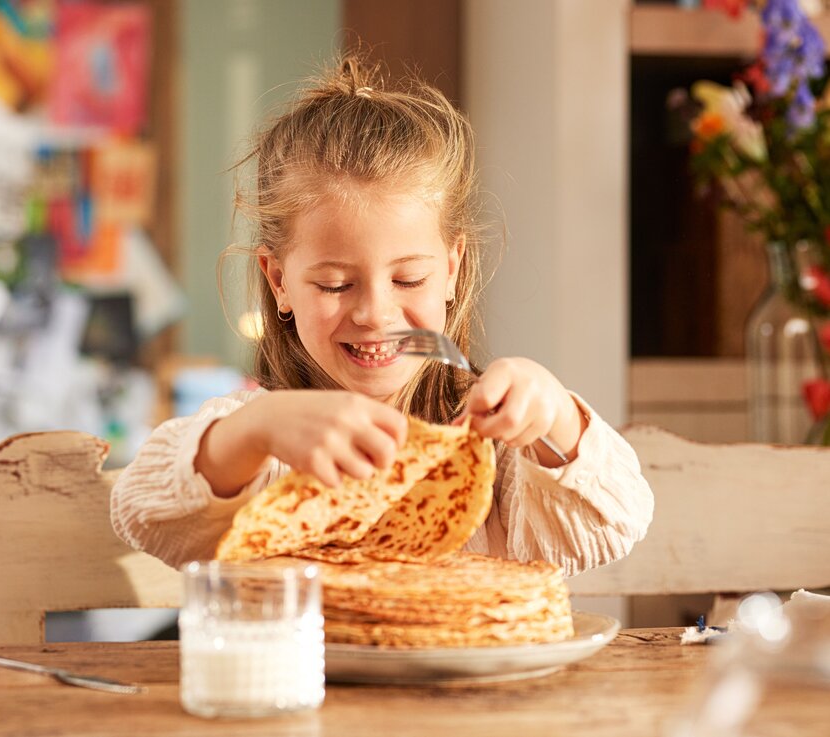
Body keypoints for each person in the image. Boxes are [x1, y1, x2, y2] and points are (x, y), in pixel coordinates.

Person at [111, 57, 653, 576]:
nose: (375, 313)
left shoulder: (494, 451)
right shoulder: (264, 447)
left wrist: (553, 413)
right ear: (279, 281)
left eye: (408, 279)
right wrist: (253, 432)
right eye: (335, 284)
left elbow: (616, 521)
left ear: (452, 269)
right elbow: (145, 513)